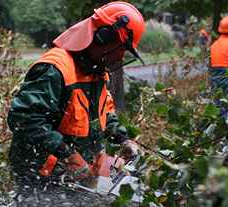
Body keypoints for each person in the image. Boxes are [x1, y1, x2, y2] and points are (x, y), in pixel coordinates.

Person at [7, 1, 145, 189]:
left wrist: (123, 138)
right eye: (120, 49)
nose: (119, 58)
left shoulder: (96, 71)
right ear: (103, 37)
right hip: (40, 177)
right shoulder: (55, 69)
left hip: (76, 178)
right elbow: (25, 119)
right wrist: (68, 156)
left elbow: (102, 114)